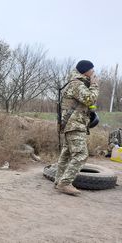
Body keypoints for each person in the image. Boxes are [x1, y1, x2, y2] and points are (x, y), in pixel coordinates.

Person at [55, 60, 99, 196]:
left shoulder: (76, 83)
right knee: (81, 154)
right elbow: (90, 99)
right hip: (74, 124)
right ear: (85, 71)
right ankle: (65, 183)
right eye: (92, 69)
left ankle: (58, 181)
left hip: (72, 124)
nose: (93, 72)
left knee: (67, 153)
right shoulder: (77, 84)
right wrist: (95, 84)